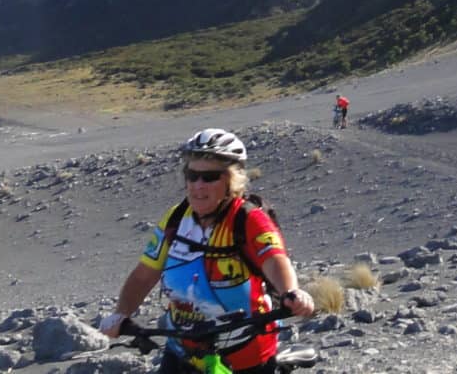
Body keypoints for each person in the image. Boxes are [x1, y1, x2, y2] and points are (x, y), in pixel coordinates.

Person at [100, 128, 316, 373]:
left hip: (245, 352)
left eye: (210, 177)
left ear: (231, 181)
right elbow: (144, 275)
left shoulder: (248, 219)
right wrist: (121, 314)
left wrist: (291, 292)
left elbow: (274, 260)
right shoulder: (176, 219)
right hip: (182, 347)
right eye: (192, 175)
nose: (198, 185)